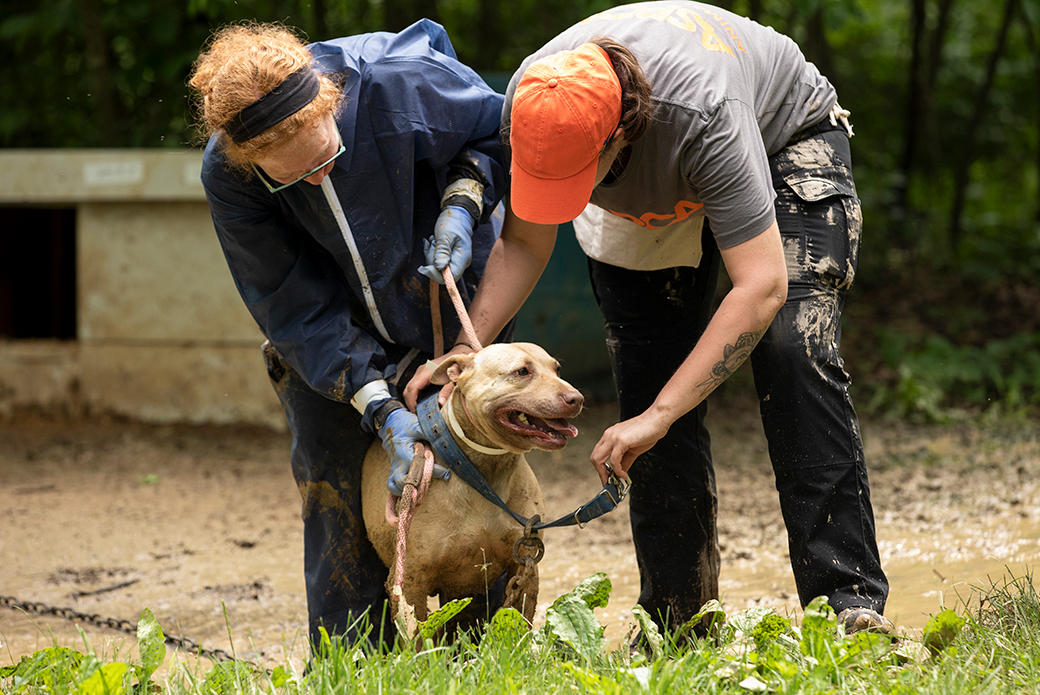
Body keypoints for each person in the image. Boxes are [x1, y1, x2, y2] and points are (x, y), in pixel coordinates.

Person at [405, 1, 892, 637]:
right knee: (647, 379)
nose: (564, 192)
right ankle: (679, 618)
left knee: (790, 349)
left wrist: (666, 413)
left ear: (618, 137)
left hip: (779, 140)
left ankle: (848, 606)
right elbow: (525, 242)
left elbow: (762, 284)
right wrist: (462, 362)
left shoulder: (703, 117)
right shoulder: (536, 99)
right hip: (647, 192)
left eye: (577, 176)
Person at [189, 19, 509, 651]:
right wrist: (381, 406)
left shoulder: (401, 83)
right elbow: (289, 301)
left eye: (326, 159)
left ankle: (483, 658)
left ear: (332, 102)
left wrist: (465, 200)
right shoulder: (229, 176)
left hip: (453, 302)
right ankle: (353, 665)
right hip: (329, 348)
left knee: (480, 482)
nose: (315, 179)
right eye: (291, 177)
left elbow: (497, 131)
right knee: (334, 489)